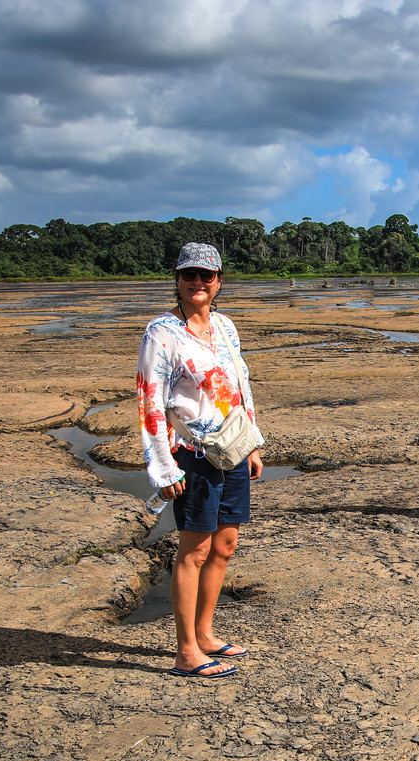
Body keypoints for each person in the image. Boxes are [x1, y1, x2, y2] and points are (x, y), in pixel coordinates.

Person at [137, 242, 264, 678]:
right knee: (194, 549)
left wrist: (253, 443)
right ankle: (186, 651)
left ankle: (206, 634)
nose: (198, 282)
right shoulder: (163, 333)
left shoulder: (226, 326)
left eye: (206, 276)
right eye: (189, 274)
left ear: (218, 282)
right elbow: (150, 402)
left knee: (224, 546)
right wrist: (162, 467)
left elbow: (239, 386)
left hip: (232, 450)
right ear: (177, 280)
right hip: (191, 454)